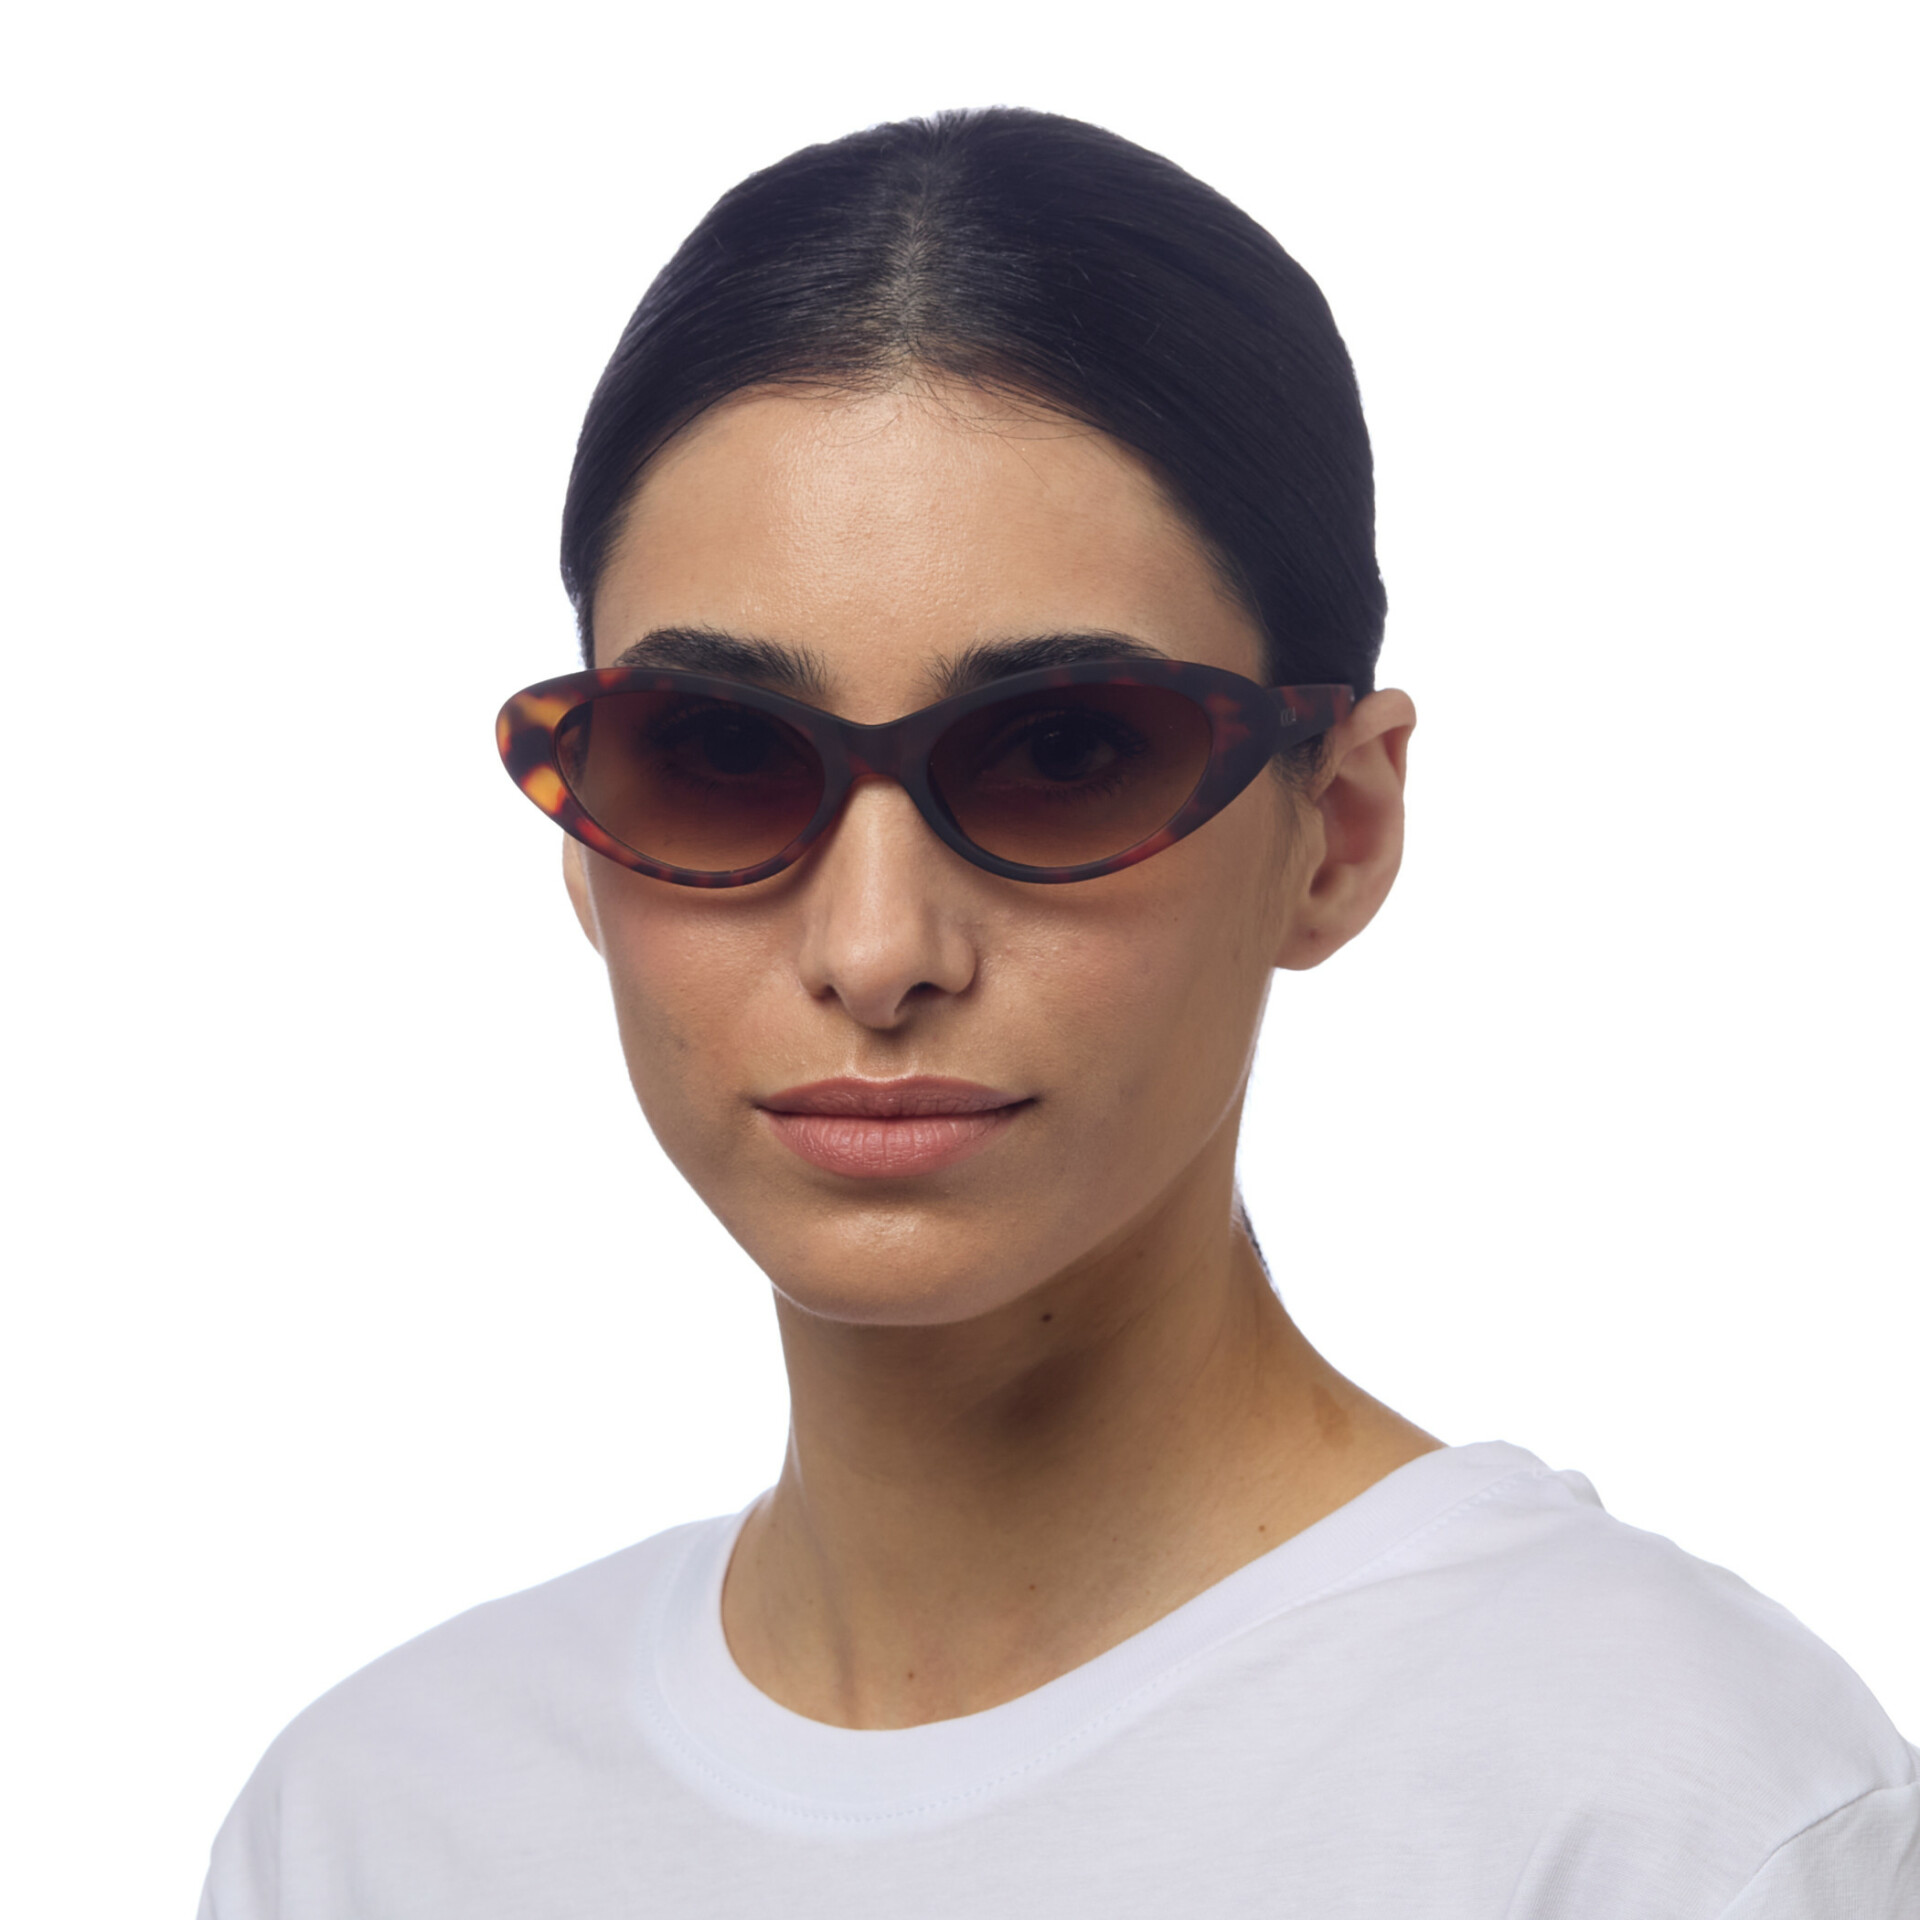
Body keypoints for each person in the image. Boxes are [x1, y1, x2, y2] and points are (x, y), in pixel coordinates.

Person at [197, 106, 1918, 1917]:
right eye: (716, 753)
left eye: (1068, 750)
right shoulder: (373, 1826)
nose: (877, 950)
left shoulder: (1680, 1818)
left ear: (1337, 830)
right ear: (585, 845)